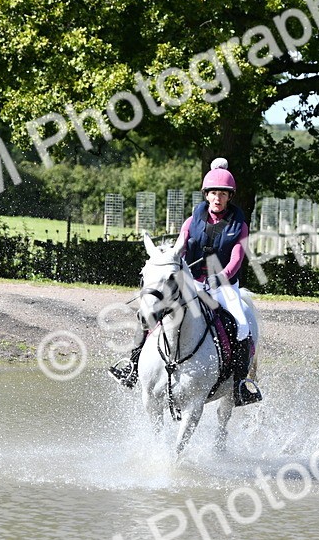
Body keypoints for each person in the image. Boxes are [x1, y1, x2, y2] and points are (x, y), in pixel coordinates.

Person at [109, 158, 263, 406]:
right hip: (192, 282)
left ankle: (240, 385)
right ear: (206, 194)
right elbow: (179, 249)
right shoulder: (192, 221)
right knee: (150, 313)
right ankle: (132, 366)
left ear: (229, 196)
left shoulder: (239, 226)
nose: (218, 198)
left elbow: (236, 259)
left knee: (242, 325)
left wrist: (220, 277)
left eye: (223, 194)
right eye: (214, 193)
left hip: (224, 287)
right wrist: (169, 262)